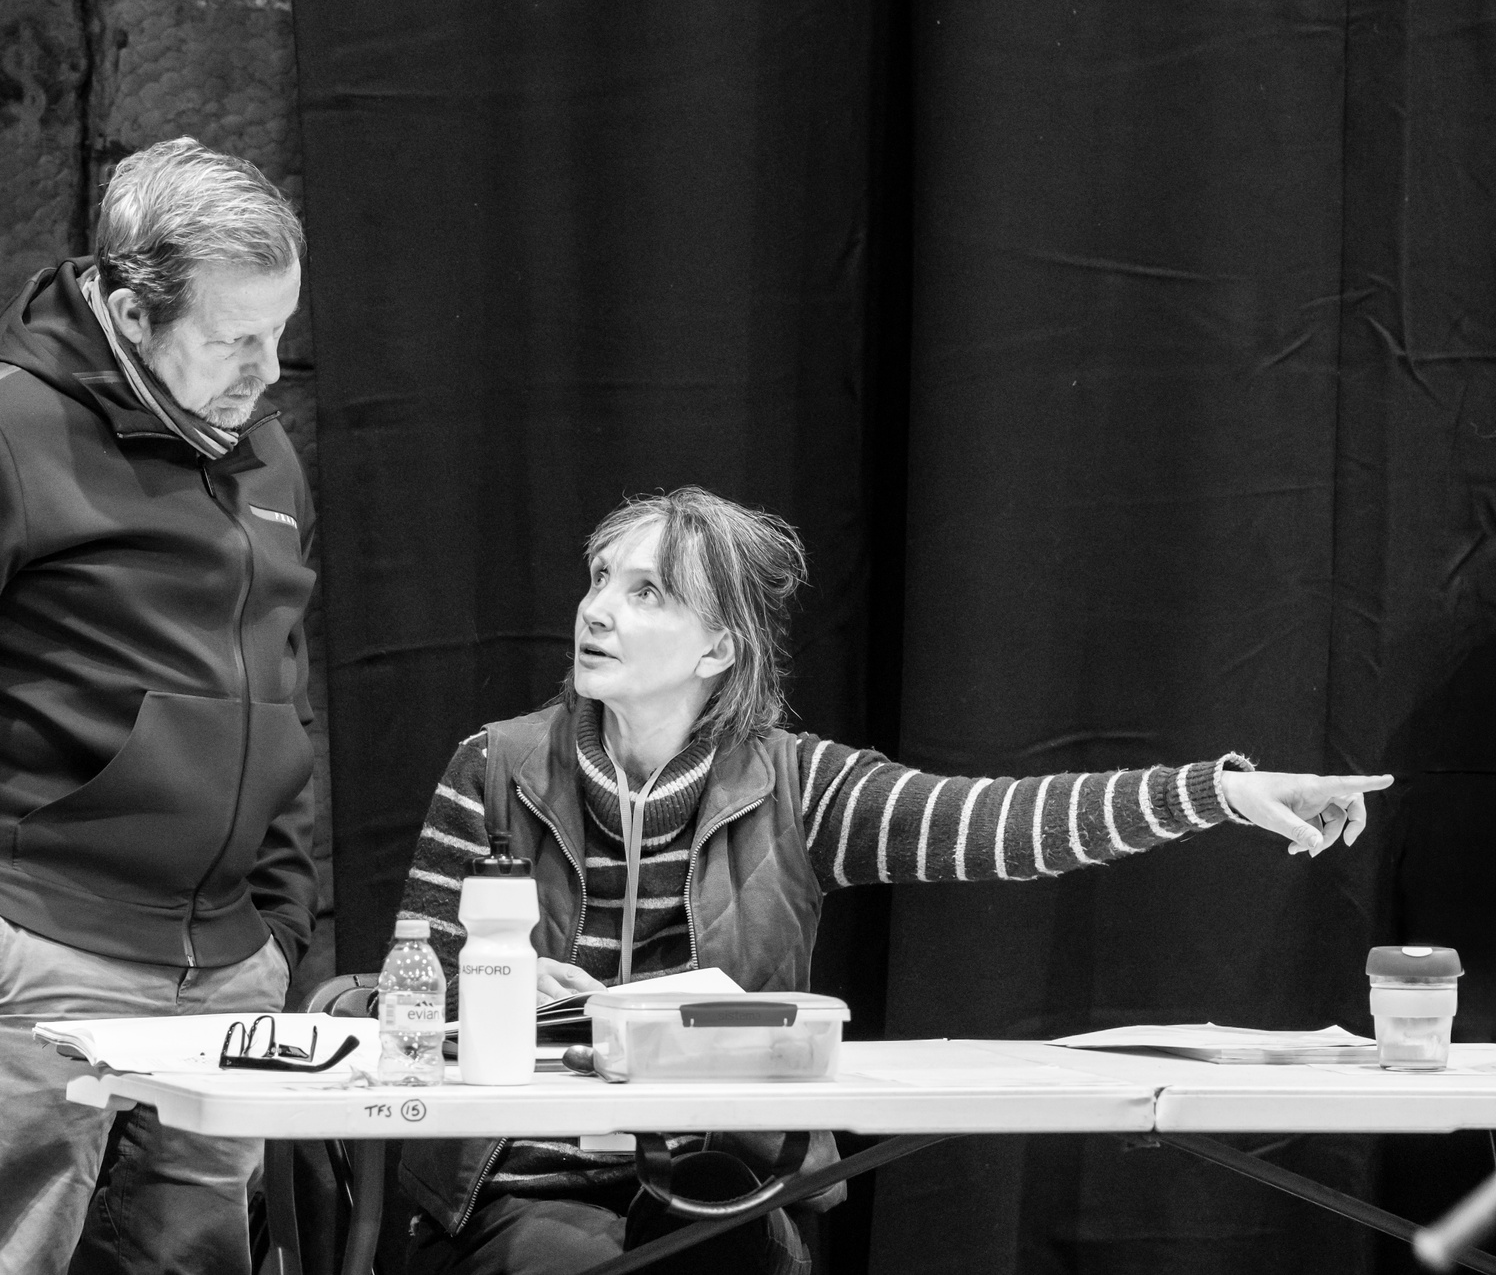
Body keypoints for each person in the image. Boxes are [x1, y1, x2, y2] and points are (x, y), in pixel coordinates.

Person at [393, 486, 1390, 1275]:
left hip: (718, 1175)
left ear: (718, 649)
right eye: (600, 577)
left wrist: (1215, 792)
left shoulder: (795, 785)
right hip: (523, 1176)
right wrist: (498, 991)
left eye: (645, 591)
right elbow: (408, 986)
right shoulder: (494, 767)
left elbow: (997, 824)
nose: (597, 608)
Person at [0, 137, 318, 1275]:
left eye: (278, 332)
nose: (266, 371)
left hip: (225, 971)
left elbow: (280, 694)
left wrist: (278, 923)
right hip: (39, 953)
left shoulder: (264, 459)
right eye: (235, 339)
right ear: (131, 315)